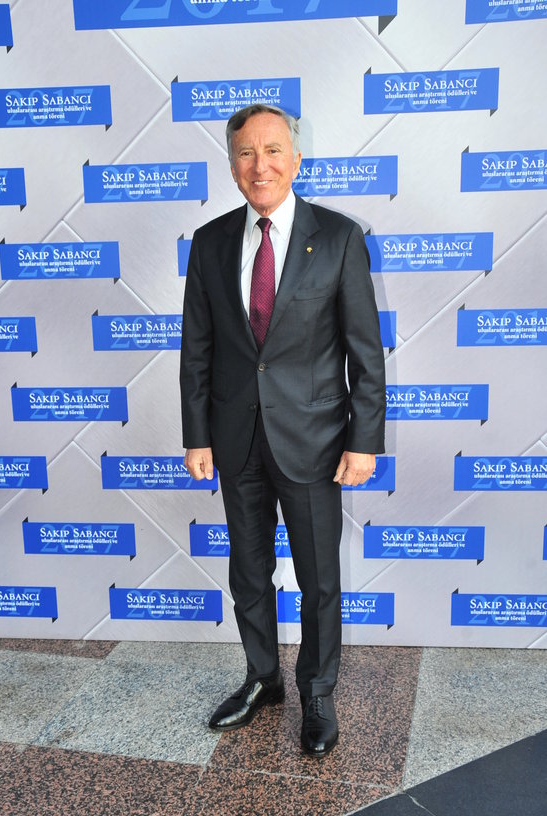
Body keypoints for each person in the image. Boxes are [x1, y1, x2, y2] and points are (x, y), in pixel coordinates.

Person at [180, 104, 386, 757]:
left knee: (319, 578)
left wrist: (363, 441)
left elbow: (365, 352)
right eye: (246, 153)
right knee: (249, 571)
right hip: (235, 437)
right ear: (232, 165)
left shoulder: (340, 237)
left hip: (316, 442)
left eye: (272, 151)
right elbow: (197, 349)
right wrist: (196, 434)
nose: (259, 165)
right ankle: (262, 678)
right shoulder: (210, 242)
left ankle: (317, 692)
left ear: (296, 160)